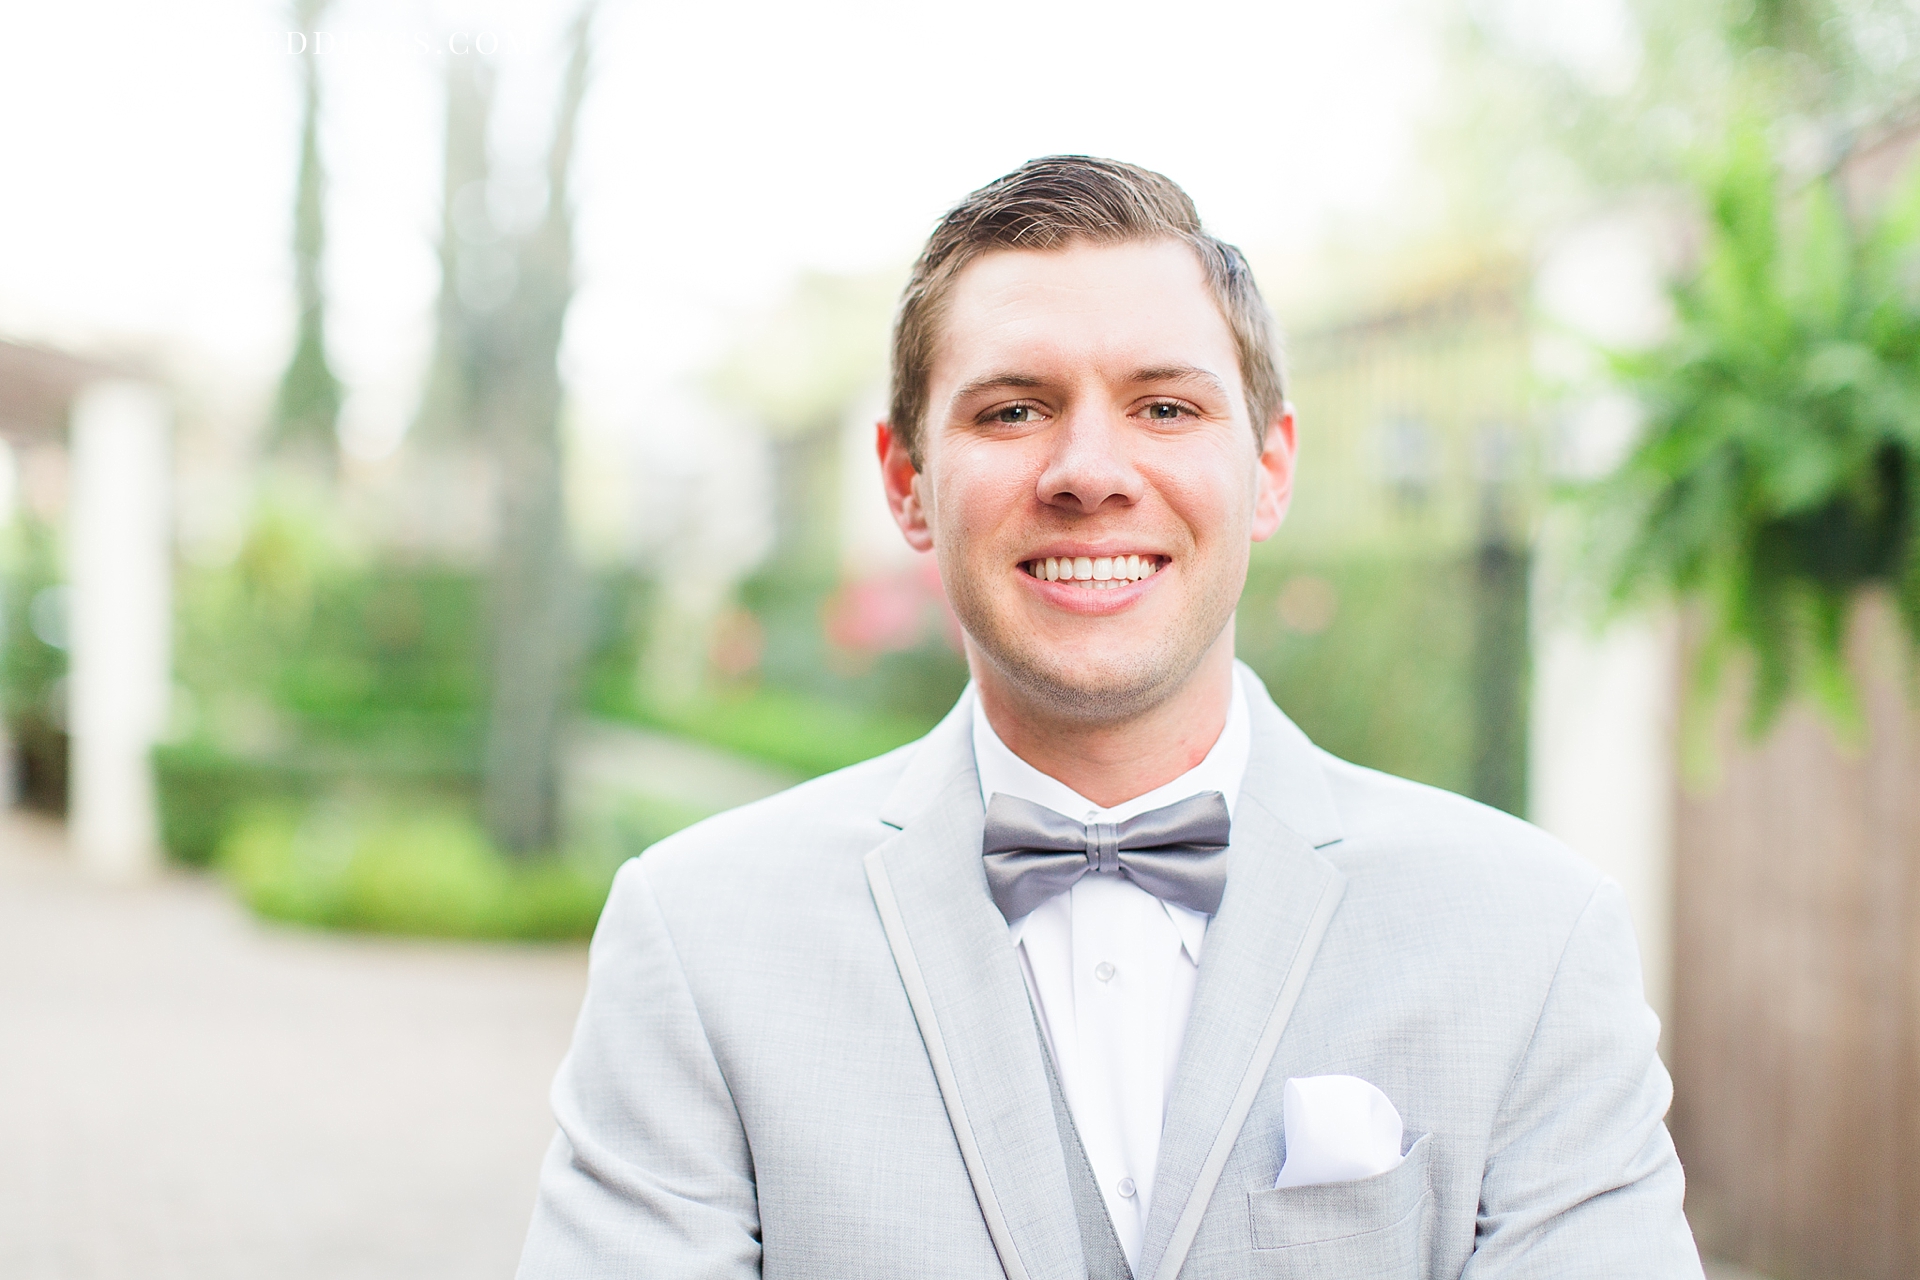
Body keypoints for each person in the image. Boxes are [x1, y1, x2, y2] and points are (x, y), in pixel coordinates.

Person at [517, 156, 1702, 1280]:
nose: (1089, 469)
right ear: (905, 483)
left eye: (1167, 408)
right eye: (1015, 410)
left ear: (1271, 468)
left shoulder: (1535, 941)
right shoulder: (699, 940)